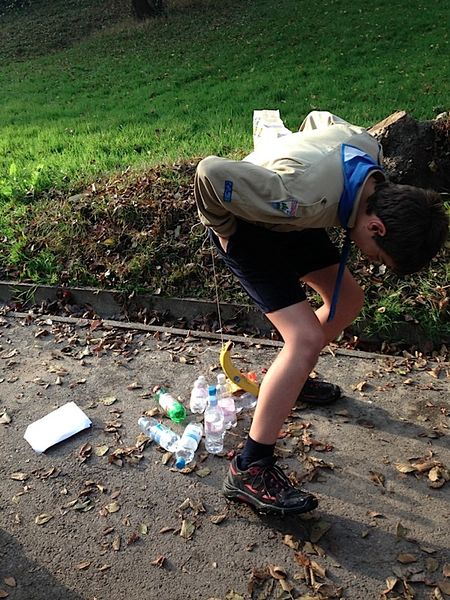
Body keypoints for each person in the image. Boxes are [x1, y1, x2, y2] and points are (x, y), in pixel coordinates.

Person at [194, 110, 449, 515]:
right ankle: (250, 468)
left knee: (347, 301)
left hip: (297, 217)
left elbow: (319, 120)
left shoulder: (370, 156)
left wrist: (291, 152)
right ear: (377, 227)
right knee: (305, 338)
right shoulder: (302, 193)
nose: (374, 261)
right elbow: (209, 173)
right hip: (248, 225)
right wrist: (222, 227)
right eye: (380, 257)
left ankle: (290, 377)